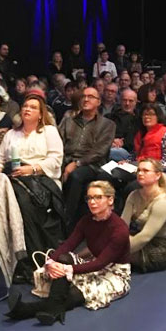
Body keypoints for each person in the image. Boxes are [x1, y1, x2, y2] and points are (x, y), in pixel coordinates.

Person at [6, 180, 130, 324]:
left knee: (77, 293)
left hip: (114, 273)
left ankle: (25, 310)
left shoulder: (119, 230)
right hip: (94, 264)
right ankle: (53, 311)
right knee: (63, 258)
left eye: (98, 197)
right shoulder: (86, 221)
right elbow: (69, 244)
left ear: (110, 200)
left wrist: (67, 269)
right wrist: (51, 261)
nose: (92, 202)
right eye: (89, 198)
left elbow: (101, 263)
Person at [0, 92, 65, 284]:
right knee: (10, 198)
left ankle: (33, 260)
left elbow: (56, 159)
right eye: (25, 106)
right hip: (13, 179)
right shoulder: (11, 134)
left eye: (33, 107)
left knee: (23, 203)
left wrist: (32, 169)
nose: (27, 109)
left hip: (41, 179)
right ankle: (21, 259)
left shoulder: (49, 131)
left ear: (40, 114)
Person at [60, 87, 116, 231]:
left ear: (98, 102)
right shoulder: (68, 121)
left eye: (91, 97)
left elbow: (99, 152)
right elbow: (58, 143)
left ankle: (67, 224)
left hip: (92, 165)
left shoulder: (108, 125)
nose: (86, 99)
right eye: (83, 96)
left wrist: (76, 163)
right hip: (65, 161)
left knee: (76, 175)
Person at [121, 159, 166, 272]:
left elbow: (145, 236)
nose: (140, 173)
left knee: (107, 253)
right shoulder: (134, 195)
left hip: (158, 249)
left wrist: (115, 249)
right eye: (139, 170)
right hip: (137, 237)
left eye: (145, 171)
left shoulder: (162, 203)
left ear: (157, 175)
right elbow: (122, 225)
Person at [109, 88, 139, 162]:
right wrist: (112, 141)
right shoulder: (109, 117)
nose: (127, 103)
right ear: (120, 101)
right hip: (109, 146)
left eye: (131, 101)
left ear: (136, 102)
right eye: (124, 100)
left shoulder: (140, 120)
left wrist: (122, 143)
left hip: (130, 154)